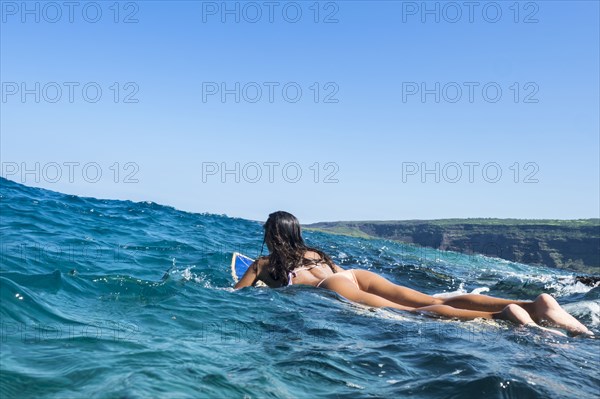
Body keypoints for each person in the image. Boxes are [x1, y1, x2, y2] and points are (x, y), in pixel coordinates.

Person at [235, 211, 592, 336]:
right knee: (435, 299)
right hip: (355, 275)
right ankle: (534, 305)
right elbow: (334, 272)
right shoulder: (314, 252)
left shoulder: (265, 264)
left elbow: (235, 293)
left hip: (334, 288)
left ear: (271, 235)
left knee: (416, 312)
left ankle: (501, 315)